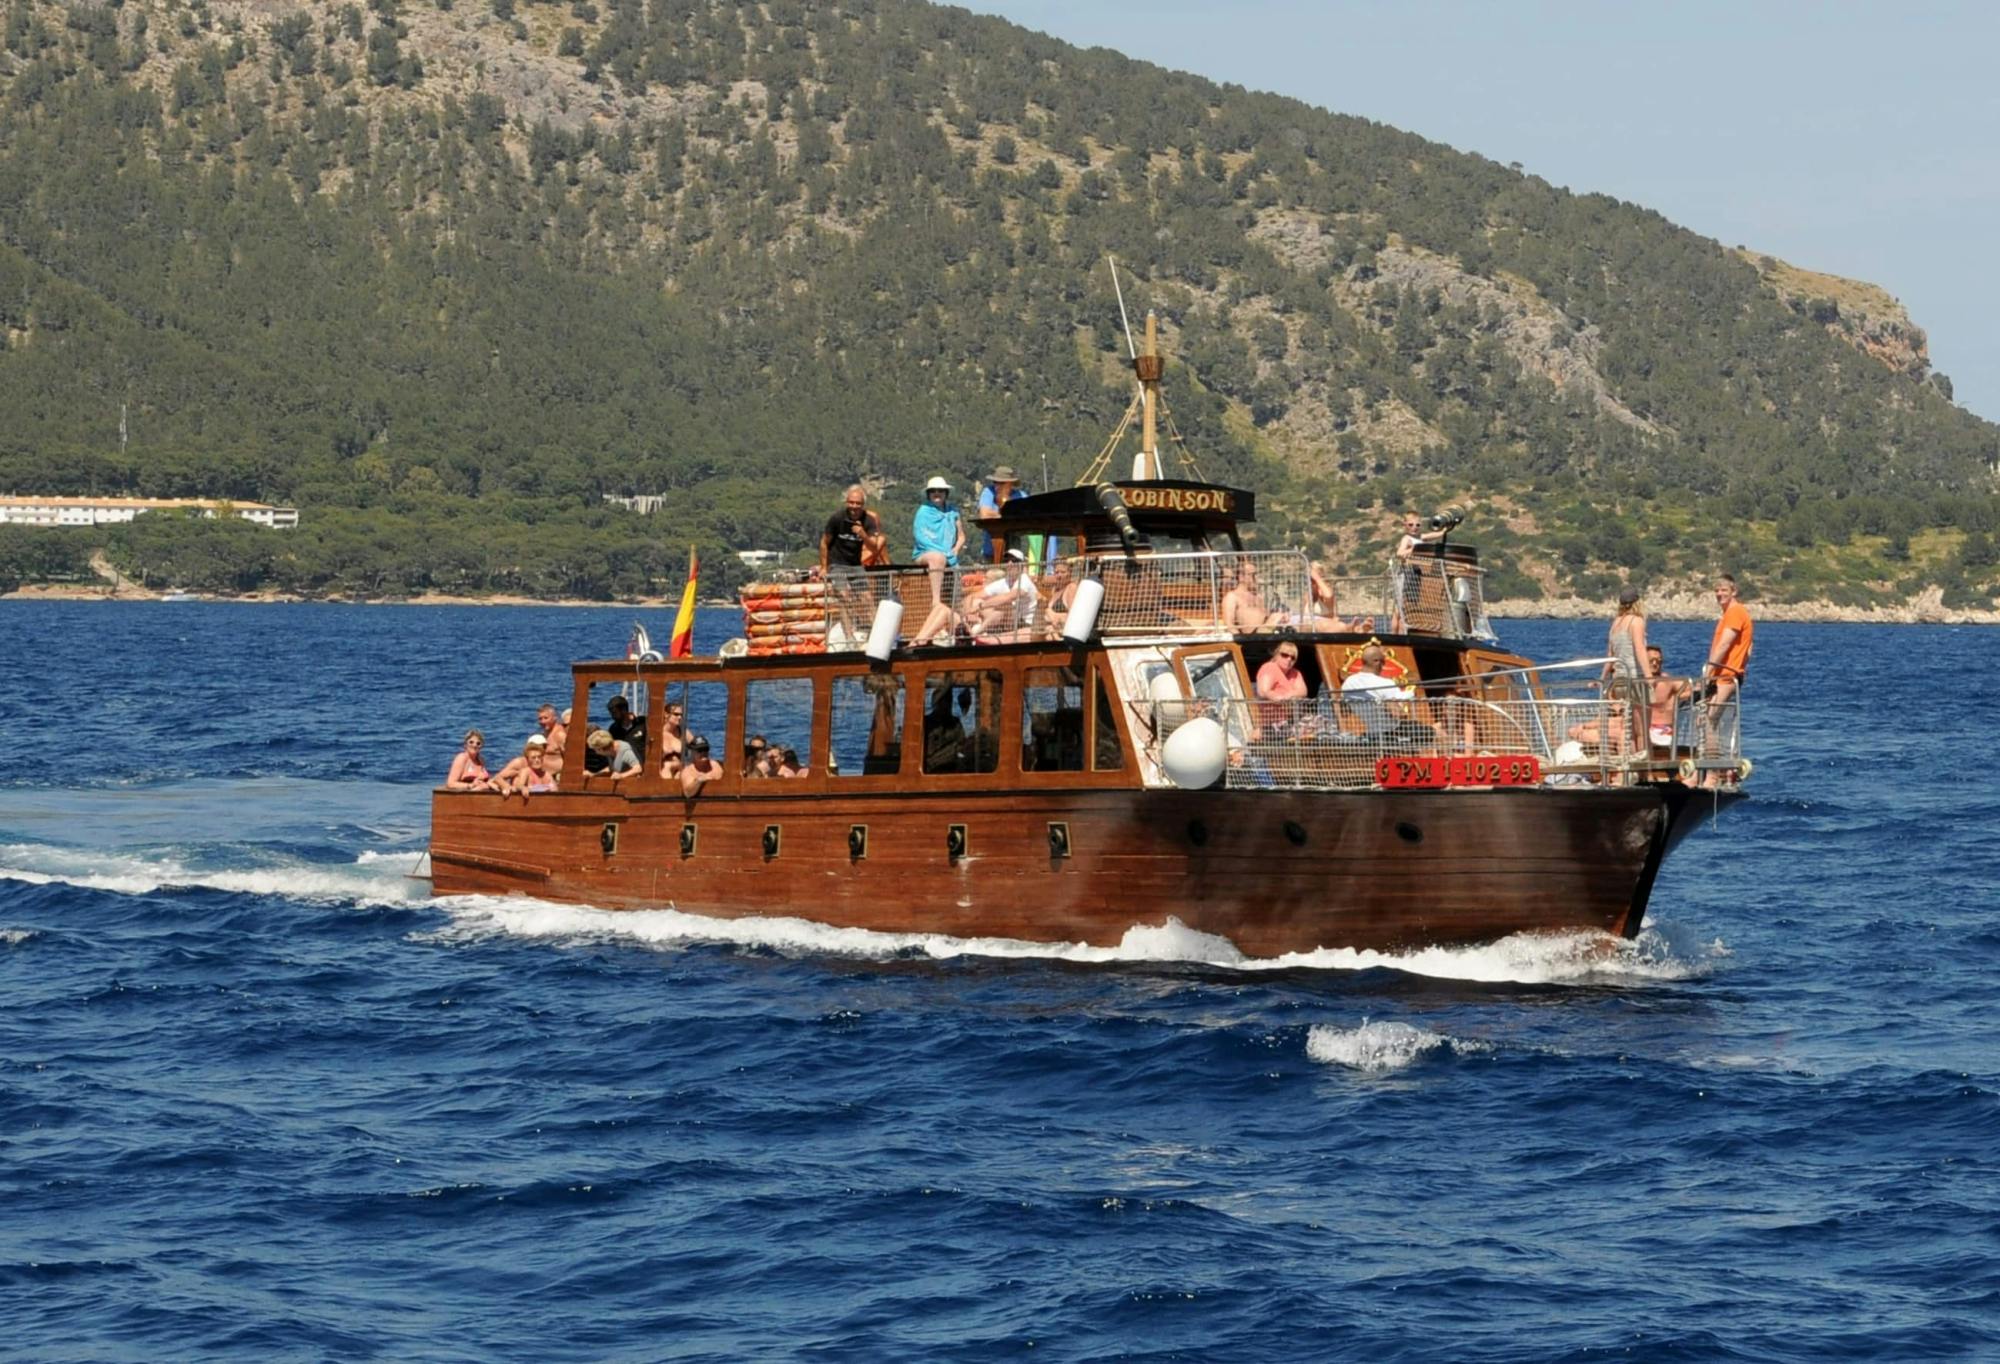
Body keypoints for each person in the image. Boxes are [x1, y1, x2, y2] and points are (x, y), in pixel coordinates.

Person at [1700, 574, 1753, 784]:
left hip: (1725, 675)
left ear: (1734, 591)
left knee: (1709, 719)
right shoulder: (1733, 614)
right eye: (1717, 590)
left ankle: (1713, 774)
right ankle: (1711, 769)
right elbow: (1749, 648)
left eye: (1723, 590)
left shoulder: (1735, 613)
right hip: (1726, 675)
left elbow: (1724, 644)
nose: (1719, 594)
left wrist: (1709, 672)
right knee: (1706, 718)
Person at [911, 476, 966, 646]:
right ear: (928, 494)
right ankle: (936, 601)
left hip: (950, 556)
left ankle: (954, 628)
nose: (937, 494)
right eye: (933, 491)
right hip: (924, 553)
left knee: (950, 568)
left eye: (940, 491)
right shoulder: (923, 512)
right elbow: (921, 537)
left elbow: (961, 536)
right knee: (937, 558)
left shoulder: (953, 512)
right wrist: (943, 553)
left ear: (945, 493)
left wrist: (955, 550)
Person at [1600, 586, 1649, 754]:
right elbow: (1639, 649)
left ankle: (1631, 763)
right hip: (1635, 678)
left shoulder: (1616, 623)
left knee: (1629, 728)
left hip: (1619, 680)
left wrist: (1602, 677)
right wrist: (1649, 676)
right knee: (1641, 729)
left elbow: (1610, 655)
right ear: (1638, 602)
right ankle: (1644, 769)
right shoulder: (1636, 621)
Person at [970, 548, 1039, 640]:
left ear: (1022, 565)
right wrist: (969, 612)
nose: (1009, 563)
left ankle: (975, 634)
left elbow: (1008, 597)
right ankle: (972, 628)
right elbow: (973, 596)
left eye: (1014, 561)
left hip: (1026, 623)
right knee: (976, 601)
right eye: (1007, 560)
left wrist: (981, 606)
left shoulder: (1024, 580)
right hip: (1010, 621)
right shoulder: (1004, 581)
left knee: (1004, 604)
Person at [1393, 512, 1446, 629]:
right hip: (1406, 574)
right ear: (1405, 525)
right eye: (1410, 525)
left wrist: (1444, 530)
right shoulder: (1406, 538)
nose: (1414, 528)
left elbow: (1433, 535)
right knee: (1399, 608)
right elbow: (1400, 553)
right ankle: (1395, 635)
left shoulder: (1419, 538)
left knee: (1408, 606)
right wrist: (1412, 549)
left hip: (1415, 574)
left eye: (1417, 525)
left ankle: (1405, 631)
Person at [976, 465, 1028, 558]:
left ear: (1010, 484)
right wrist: (1005, 515)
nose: (997, 485)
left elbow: (1028, 515)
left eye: (1001, 483)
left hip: (1014, 554)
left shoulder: (1020, 496)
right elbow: (984, 514)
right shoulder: (988, 492)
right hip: (991, 551)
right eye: (995, 482)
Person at [1221, 558, 1284, 632]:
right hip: (1250, 637)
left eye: (1256, 574)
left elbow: (1264, 617)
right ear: (1241, 577)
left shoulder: (1258, 596)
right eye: (1253, 575)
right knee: (1276, 616)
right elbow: (1229, 624)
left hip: (1264, 633)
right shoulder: (1232, 596)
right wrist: (1240, 640)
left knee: (1283, 616)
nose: (1256, 578)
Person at [1041, 559, 1080, 638]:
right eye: (1056, 572)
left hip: (1064, 633)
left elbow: (1074, 617)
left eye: (1062, 572)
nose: (1059, 575)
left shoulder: (1071, 588)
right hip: (1050, 631)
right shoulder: (1055, 589)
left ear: (1070, 573)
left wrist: (1054, 616)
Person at [606, 695, 647, 760]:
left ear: (624, 710)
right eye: (611, 713)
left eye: (614, 713)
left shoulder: (644, 723)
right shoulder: (613, 729)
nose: (612, 716)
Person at [537, 705, 567, 776]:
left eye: (546, 718)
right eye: (540, 719)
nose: (542, 721)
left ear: (555, 718)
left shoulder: (560, 735)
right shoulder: (545, 733)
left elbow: (570, 758)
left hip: (556, 772)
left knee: (521, 763)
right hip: (544, 771)